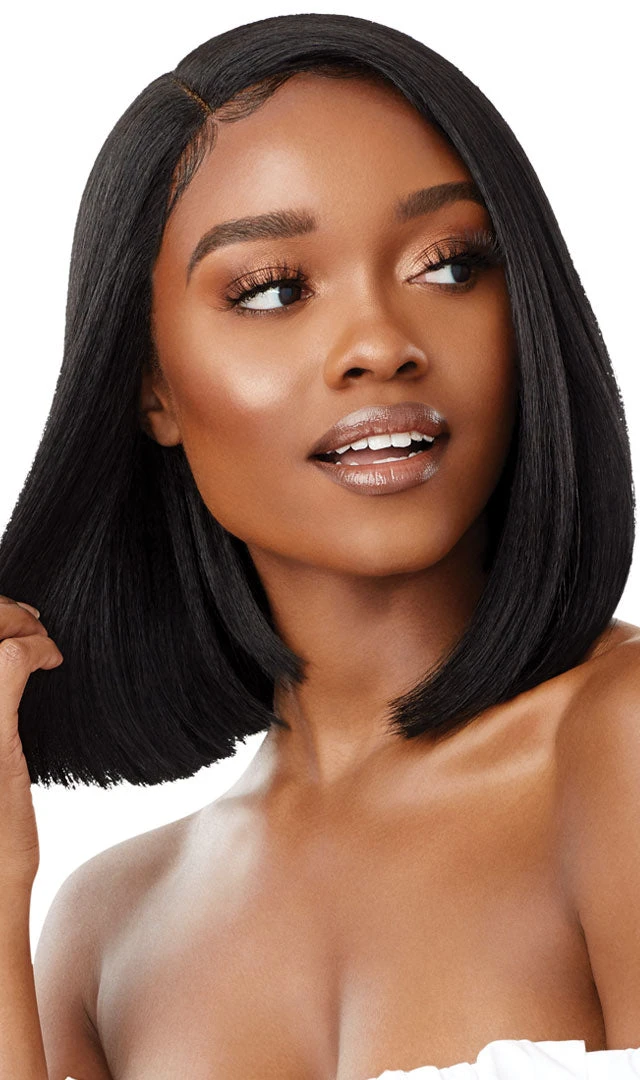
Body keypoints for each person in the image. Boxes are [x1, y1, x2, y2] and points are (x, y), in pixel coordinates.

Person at [0, 11, 639, 1079]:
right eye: (273, 290)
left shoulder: (622, 747)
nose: (381, 344)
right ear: (151, 388)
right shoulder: (104, 929)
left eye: (449, 265)